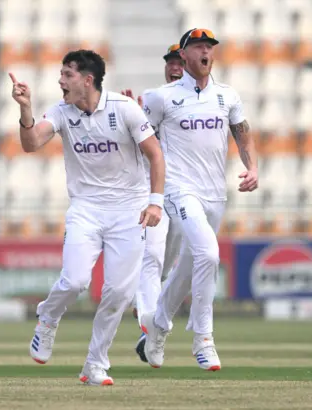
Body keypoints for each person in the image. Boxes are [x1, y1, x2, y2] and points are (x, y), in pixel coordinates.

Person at [9, 49, 166, 386]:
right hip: (86, 209)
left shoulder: (124, 109)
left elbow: (155, 154)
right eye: (61, 74)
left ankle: (95, 365)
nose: (60, 80)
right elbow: (31, 143)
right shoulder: (62, 112)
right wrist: (25, 110)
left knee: (119, 294)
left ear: (87, 80)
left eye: (67, 74)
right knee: (76, 280)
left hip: (129, 212)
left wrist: (155, 203)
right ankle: (48, 317)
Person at [139, 29, 258, 371]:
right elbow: (142, 143)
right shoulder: (161, 98)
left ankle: (158, 327)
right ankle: (203, 339)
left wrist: (253, 169)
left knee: (191, 266)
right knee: (208, 252)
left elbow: (243, 136)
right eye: (200, 47)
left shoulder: (227, 96)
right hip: (179, 189)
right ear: (186, 54)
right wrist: (148, 192)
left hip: (215, 194)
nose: (207, 52)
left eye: (210, 47)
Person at [121, 43, 185, 363]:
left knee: (171, 269)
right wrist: (131, 115)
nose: (175, 67)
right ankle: (152, 330)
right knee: (153, 259)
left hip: (188, 199)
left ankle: (149, 316)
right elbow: (130, 140)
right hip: (156, 194)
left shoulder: (203, 105)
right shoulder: (151, 101)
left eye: (181, 62)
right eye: (171, 62)